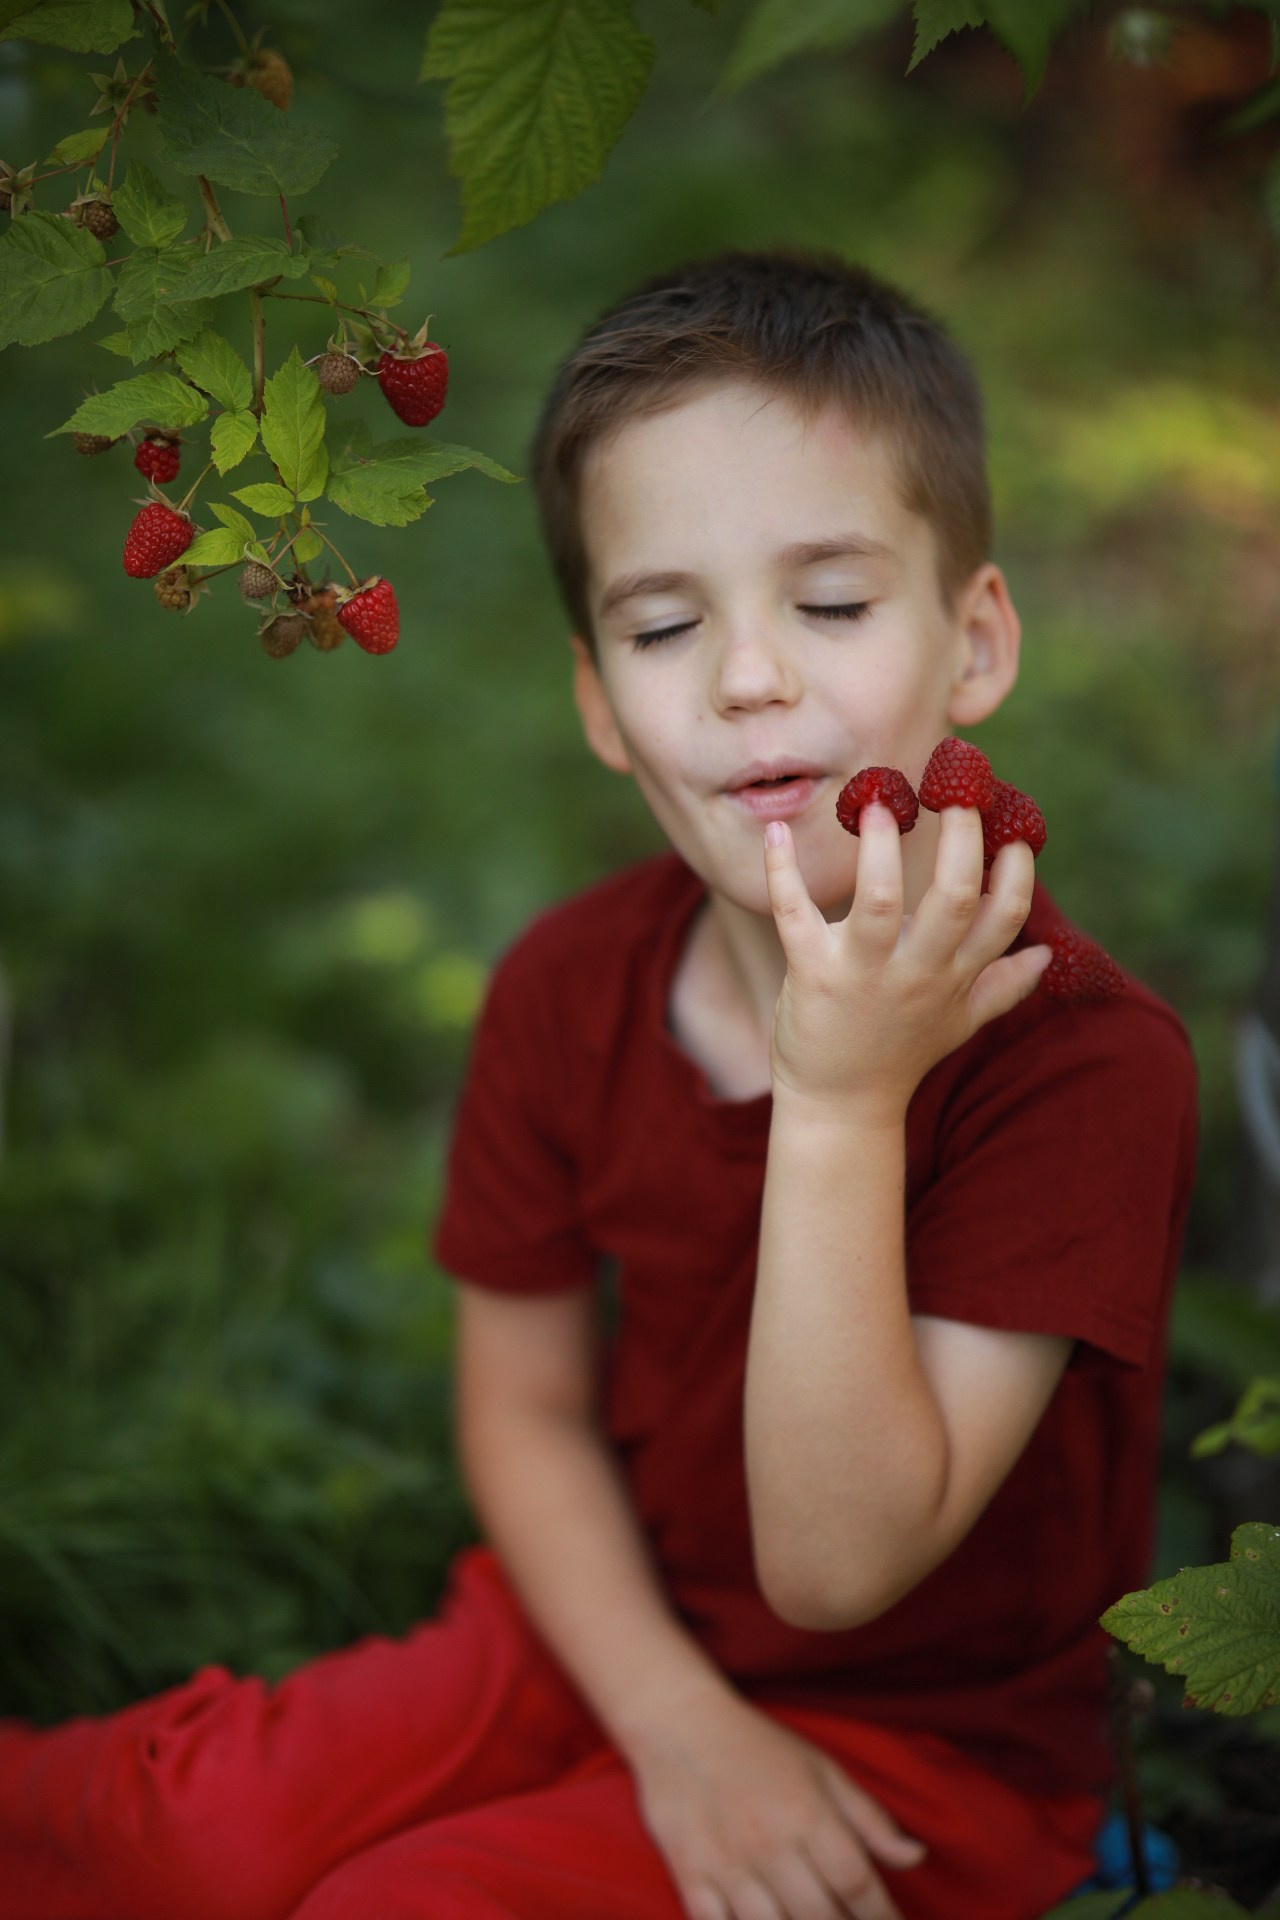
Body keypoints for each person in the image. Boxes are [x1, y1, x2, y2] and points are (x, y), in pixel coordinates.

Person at [1, 247, 1198, 1920]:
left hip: (917, 1757)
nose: (748, 677)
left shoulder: (1080, 1066)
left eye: (832, 603)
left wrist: (841, 1100)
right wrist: (670, 1720)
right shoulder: (571, 989)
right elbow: (531, 1407)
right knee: (185, 1837)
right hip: (605, 1627)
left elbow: (840, 1564)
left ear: (974, 642)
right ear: (601, 706)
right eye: (662, 624)